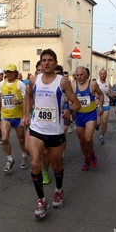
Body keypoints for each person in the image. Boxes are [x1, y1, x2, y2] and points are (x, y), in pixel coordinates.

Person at [23, 49, 80, 218]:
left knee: (56, 165)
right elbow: (27, 96)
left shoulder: (62, 82)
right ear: (40, 63)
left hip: (55, 131)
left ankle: (59, 190)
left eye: (50, 60)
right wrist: (26, 114)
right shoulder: (34, 81)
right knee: (35, 164)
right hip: (36, 129)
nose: (46, 63)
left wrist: (69, 110)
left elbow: (76, 103)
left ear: (55, 63)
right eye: (44, 60)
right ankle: (41, 200)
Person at [0, 63, 28, 174]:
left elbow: (26, 99)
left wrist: (18, 102)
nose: (8, 74)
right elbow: (2, 97)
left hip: (18, 116)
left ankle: (24, 155)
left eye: (10, 72)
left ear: (15, 73)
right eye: (7, 72)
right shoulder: (3, 83)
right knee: (4, 139)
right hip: (6, 116)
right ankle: (9, 159)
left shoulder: (20, 85)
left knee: (21, 139)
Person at [71, 66, 104, 171]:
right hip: (79, 115)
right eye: (77, 75)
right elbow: (70, 99)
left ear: (86, 75)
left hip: (90, 114)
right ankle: (86, 160)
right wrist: (70, 105)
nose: (79, 77)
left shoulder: (92, 84)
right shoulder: (73, 85)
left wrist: (100, 106)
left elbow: (101, 94)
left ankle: (92, 154)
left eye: (81, 75)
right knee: (82, 141)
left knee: (88, 138)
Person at [95, 69, 115, 144]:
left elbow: (111, 91)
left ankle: (101, 136)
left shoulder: (108, 83)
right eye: (101, 74)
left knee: (105, 121)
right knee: (99, 123)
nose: (103, 75)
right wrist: (97, 98)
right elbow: (94, 92)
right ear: (99, 74)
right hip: (98, 104)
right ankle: (96, 125)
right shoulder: (96, 82)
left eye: (104, 74)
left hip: (106, 103)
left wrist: (112, 94)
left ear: (106, 74)